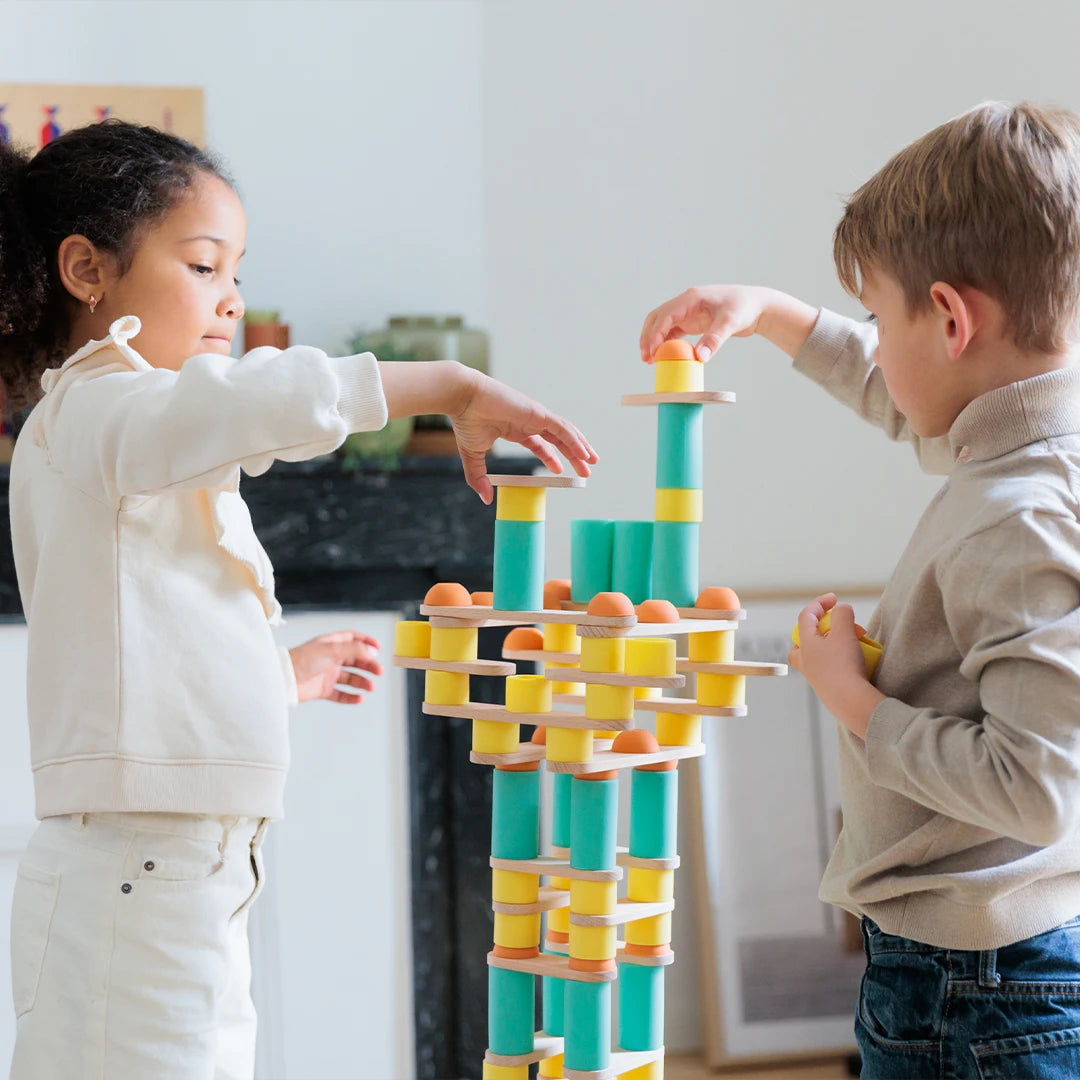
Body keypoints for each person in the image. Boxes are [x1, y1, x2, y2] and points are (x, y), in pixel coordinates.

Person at [0, 119, 596, 1079]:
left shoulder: (129, 437)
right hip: (139, 878)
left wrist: (273, 676)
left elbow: (144, 651)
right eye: (202, 265)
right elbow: (252, 403)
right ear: (86, 271)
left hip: (180, 872)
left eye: (236, 271)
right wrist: (443, 381)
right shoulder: (101, 412)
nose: (231, 298)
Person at [640, 101, 1080, 1079]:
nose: (874, 345)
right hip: (990, 965)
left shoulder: (1017, 513)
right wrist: (773, 313)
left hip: (975, 982)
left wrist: (854, 700)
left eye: (880, 318)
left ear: (953, 320)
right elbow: (908, 397)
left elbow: (1040, 786)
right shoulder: (1029, 444)